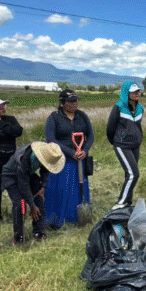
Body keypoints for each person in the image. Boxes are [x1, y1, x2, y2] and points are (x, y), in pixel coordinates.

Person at [44, 89, 94, 228]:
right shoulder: (54, 117)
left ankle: (78, 217)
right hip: (62, 160)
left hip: (80, 160)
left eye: (75, 101)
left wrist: (85, 151)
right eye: (70, 102)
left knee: (78, 188)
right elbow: (50, 139)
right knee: (62, 189)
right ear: (62, 103)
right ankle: (60, 218)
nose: (74, 104)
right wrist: (71, 152)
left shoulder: (82, 116)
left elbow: (90, 135)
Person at [0, 141, 64, 245]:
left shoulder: (46, 154)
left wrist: (43, 187)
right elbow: (23, 185)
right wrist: (32, 205)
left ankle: (39, 233)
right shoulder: (24, 158)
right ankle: (19, 237)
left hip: (27, 175)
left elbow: (45, 170)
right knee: (19, 204)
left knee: (40, 196)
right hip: (11, 176)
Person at [107, 81, 144, 209]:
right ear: (126, 93)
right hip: (122, 145)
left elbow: (137, 126)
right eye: (133, 92)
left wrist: (138, 138)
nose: (136, 93)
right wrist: (116, 142)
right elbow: (110, 128)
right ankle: (121, 203)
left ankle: (128, 202)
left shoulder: (140, 108)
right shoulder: (118, 107)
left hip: (135, 145)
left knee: (129, 174)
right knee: (134, 174)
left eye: (138, 91)